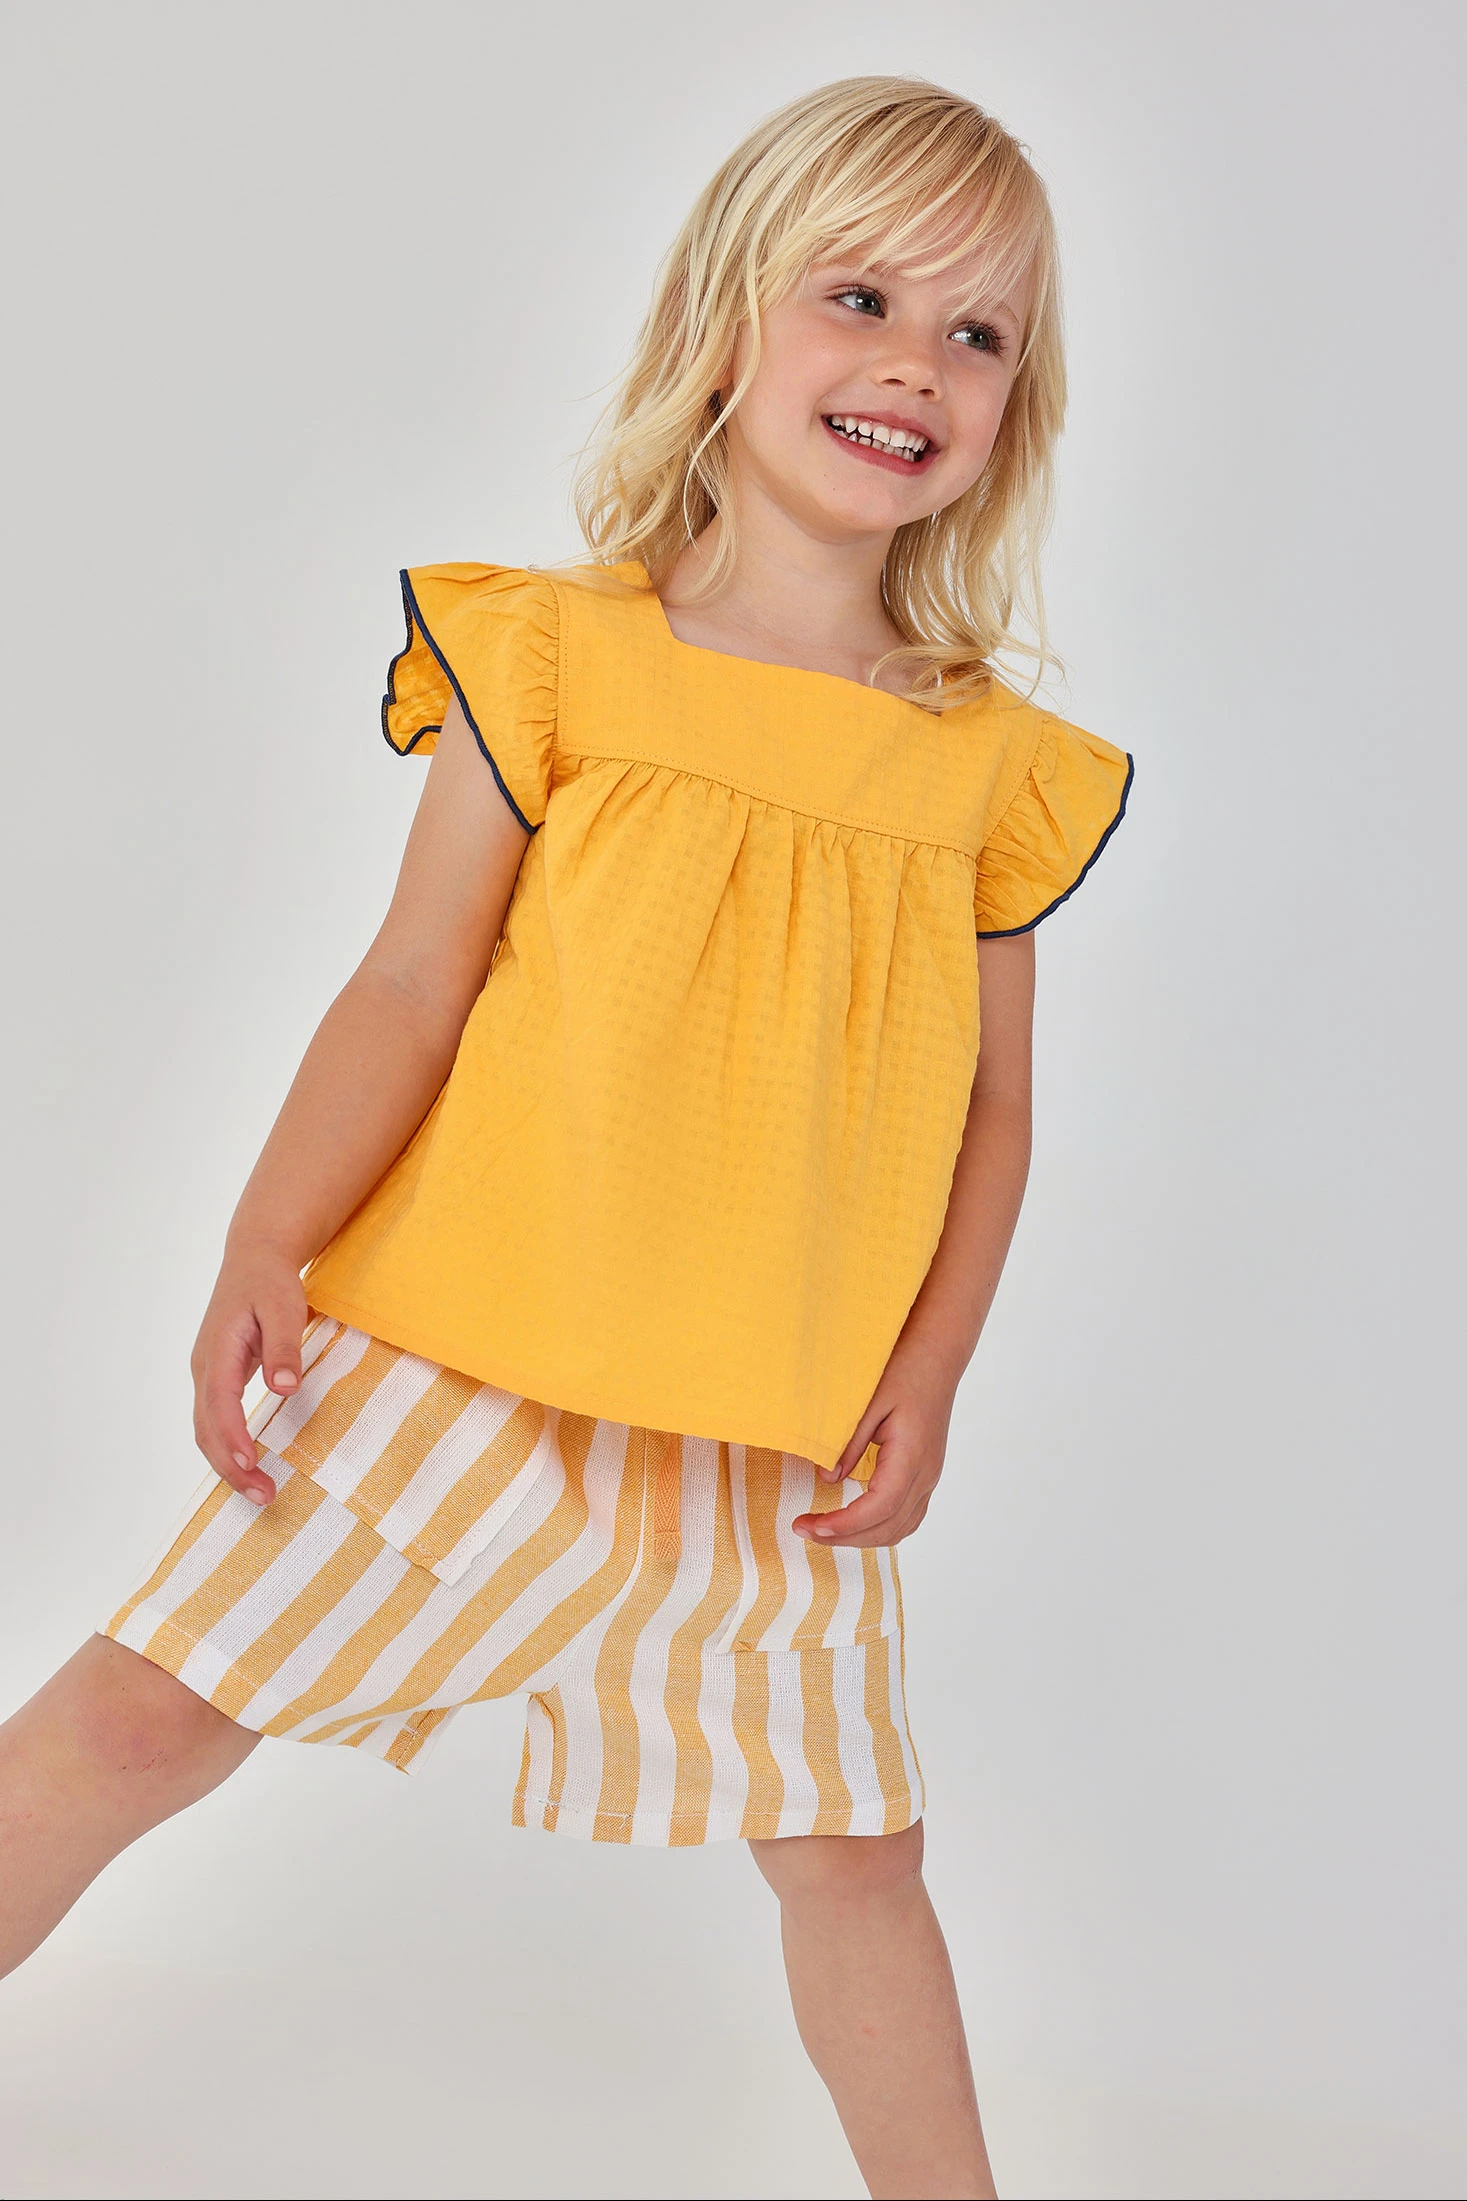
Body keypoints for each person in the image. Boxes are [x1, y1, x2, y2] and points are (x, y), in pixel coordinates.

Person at [0, 75, 1133, 2201]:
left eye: (976, 332)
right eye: (860, 297)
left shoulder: (989, 770)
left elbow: (996, 1106)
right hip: (463, 1363)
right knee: (144, 1716)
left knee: (855, 1857)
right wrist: (263, 1237)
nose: (914, 362)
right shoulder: (553, 657)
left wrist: (935, 1359)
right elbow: (408, 983)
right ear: (722, 328)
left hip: (765, 1441)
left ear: (1016, 405)